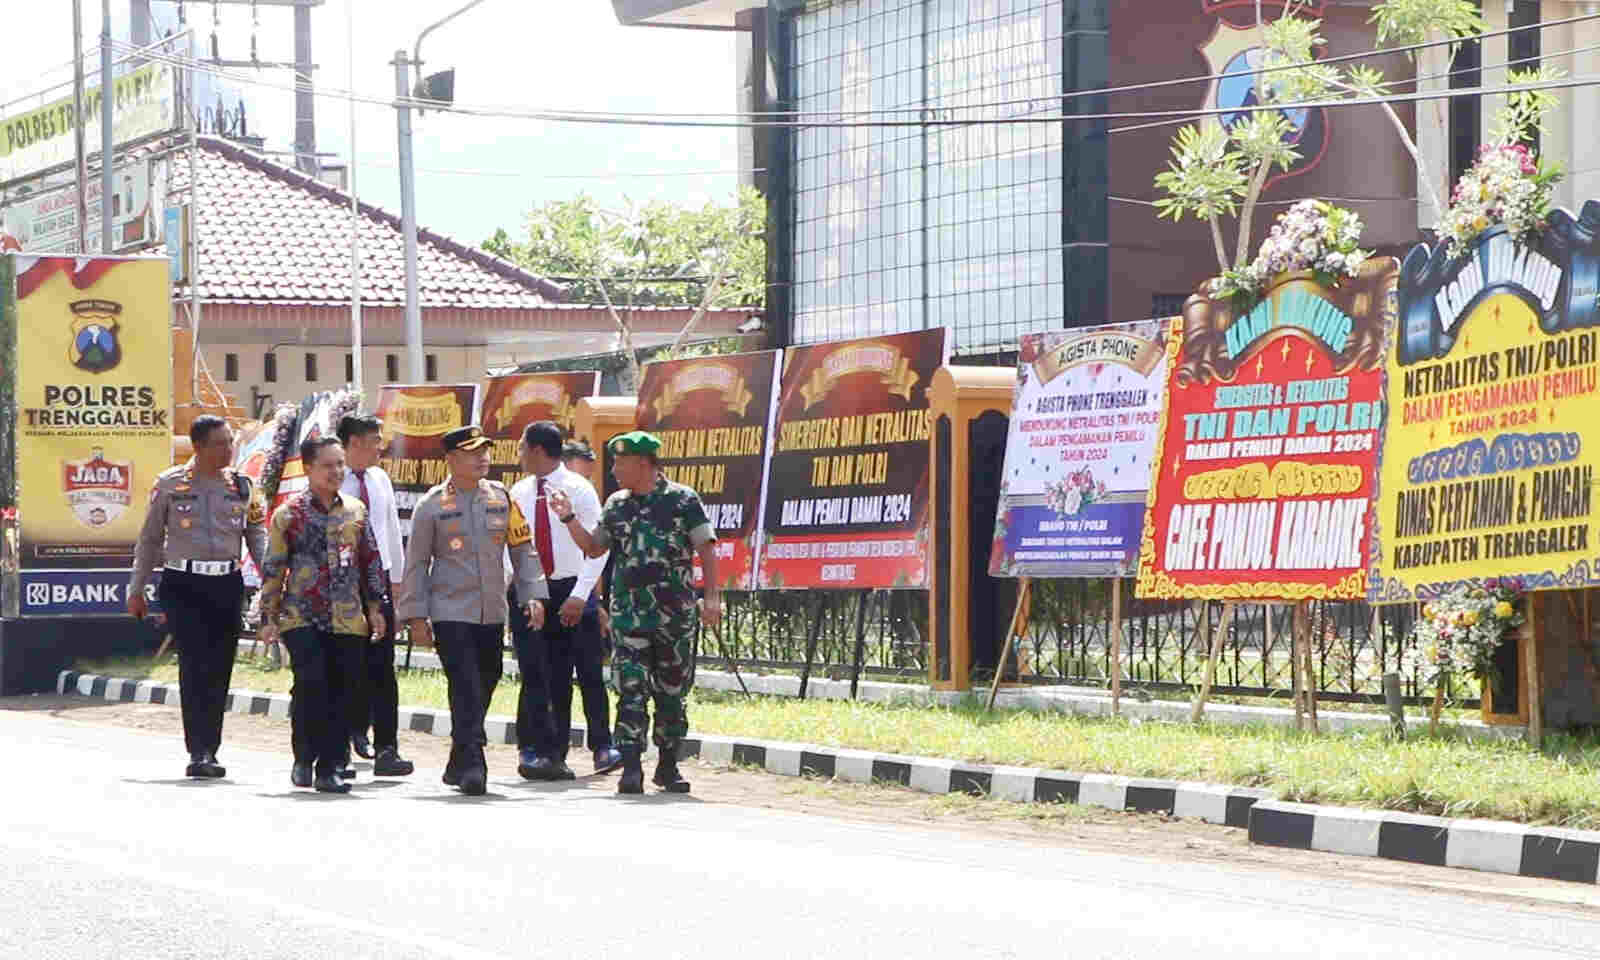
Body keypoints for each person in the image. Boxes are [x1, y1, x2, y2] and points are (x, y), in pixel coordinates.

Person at [551, 430, 721, 795]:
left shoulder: (683, 500)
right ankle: (630, 767)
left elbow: (706, 548)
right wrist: (568, 519)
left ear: (643, 464)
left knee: (672, 691)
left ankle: (668, 765)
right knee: (630, 690)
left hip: (673, 617)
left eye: (620, 462)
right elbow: (595, 549)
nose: (614, 469)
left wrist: (712, 598)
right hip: (629, 617)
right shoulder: (616, 504)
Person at [397, 424, 548, 796]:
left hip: (491, 611)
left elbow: (522, 548)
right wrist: (416, 616)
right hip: (450, 611)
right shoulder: (431, 505)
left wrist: (534, 594)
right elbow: (415, 563)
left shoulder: (501, 498)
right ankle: (474, 762)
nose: (483, 458)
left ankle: (458, 755)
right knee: (464, 684)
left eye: (486, 450)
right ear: (451, 459)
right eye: (472, 452)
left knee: (488, 677)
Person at [129, 415, 267, 779]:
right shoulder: (171, 484)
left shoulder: (242, 485)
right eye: (220, 443)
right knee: (194, 666)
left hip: (226, 584)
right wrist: (136, 588)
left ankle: (212, 748)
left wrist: (272, 580)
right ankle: (199, 750)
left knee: (220, 668)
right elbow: (149, 540)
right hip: (184, 584)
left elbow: (256, 536)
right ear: (199, 447)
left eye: (230, 442)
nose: (228, 449)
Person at [257, 437, 387, 794]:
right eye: (328, 465)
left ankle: (330, 766)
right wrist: (268, 617)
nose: (336, 472)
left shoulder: (356, 511)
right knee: (313, 686)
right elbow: (274, 567)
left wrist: (375, 608)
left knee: (344, 690)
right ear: (309, 468)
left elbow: (370, 561)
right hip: (302, 616)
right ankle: (304, 756)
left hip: (347, 616)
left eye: (340, 464)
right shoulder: (289, 515)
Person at [507, 422, 621, 782]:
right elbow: (513, 546)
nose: (520, 454)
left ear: (538, 450)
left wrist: (580, 594)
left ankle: (603, 745)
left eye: (523, 447)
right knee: (542, 672)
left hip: (574, 586)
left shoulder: (579, 489)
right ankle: (548, 752)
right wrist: (525, 592)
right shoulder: (519, 491)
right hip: (533, 588)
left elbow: (598, 548)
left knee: (588, 669)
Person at [338, 414, 415, 778]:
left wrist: (397, 584)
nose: (380, 446)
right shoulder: (335, 481)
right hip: (343, 583)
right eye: (374, 440)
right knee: (348, 664)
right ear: (354, 442)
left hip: (380, 581)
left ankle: (388, 747)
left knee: (383, 668)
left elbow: (390, 532)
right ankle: (350, 733)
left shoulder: (380, 479)